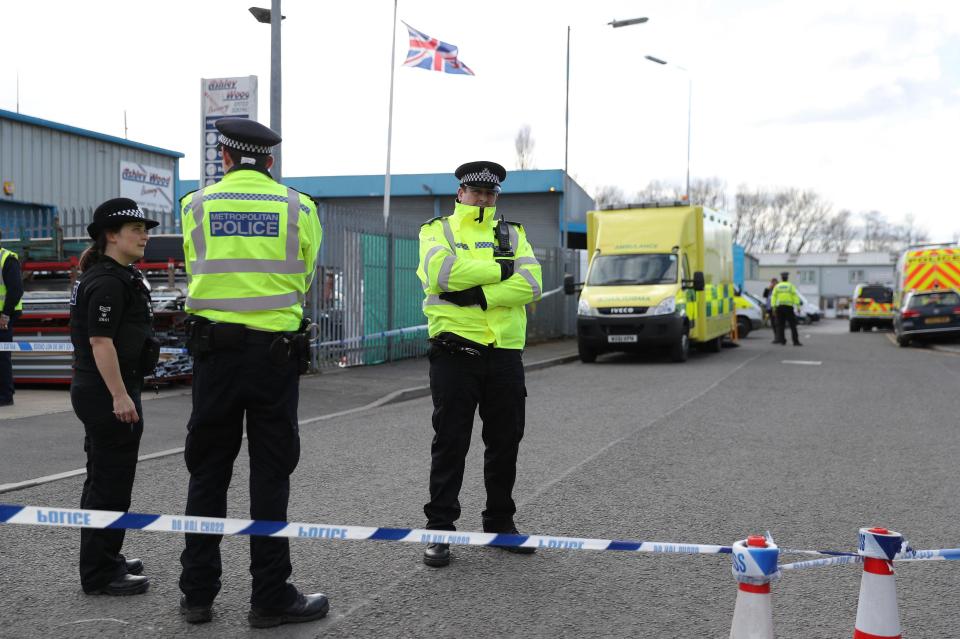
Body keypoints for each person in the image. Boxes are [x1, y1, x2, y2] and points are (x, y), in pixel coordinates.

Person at [177, 118, 325, 628]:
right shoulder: (298, 207)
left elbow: (197, 267)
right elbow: (303, 275)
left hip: (215, 360)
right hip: (274, 361)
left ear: (223, 157)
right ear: (270, 161)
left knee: (207, 472)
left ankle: (197, 595)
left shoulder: (194, 206)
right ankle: (270, 598)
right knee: (270, 475)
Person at [417, 160, 543, 568]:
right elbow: (442, 272)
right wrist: (500, 268)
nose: (483, 198)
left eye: (490, 193)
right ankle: (439, 532)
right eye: (476, 191)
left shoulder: (513, 233)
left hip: (505, 352)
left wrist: (482, 295)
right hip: (455, 352)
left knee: (505, 442)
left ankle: (500, 524)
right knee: (450, 443)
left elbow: (532, 283)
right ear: (460, 193)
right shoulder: (437, 230)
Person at [69, 198, 160, 595]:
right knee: (111, 484)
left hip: (105, 390)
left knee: (104, 480)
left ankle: (105, 556)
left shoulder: (117, 274)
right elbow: (100, 341)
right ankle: (100, 573)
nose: (144, 236)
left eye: (146, 229)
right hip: (109, 394)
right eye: (136, 229)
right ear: (110, 235)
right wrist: (120, 396)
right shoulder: (108, 280)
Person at [0, 232, 23, 406]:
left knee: (2, 356)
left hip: (3, 316)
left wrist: (5, 315)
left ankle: (5, 396)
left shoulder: (7, 258)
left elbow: (16, 290)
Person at [771, 271, 802, 346]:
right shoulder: (790, 286)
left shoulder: (777, 286)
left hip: (779, 307)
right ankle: (795, 341)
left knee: (781, 325)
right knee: (792, 325)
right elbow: (795, 296)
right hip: (788, 307)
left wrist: (774, 308)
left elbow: (773, 297)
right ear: (787, 278)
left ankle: (782, 341)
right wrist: (798, 306)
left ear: (781, 278)